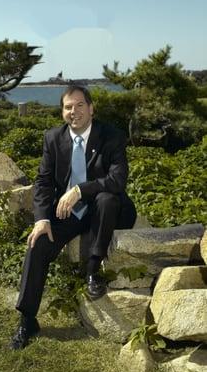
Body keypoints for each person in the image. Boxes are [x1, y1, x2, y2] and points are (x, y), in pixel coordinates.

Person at [10, 85, 136, 350]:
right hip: (70, 213)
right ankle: (27, 320)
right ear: (62, 112)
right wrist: (42, 219)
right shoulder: (53, 138)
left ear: (91, 108)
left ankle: (92, 271)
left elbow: (117, 180)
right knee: (38, 242)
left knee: (106, 198)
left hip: (109, 210)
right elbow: (43, 182)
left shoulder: (111, 136)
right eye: (68, 107)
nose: (74, 111)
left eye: (80, 105)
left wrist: (79, 190)